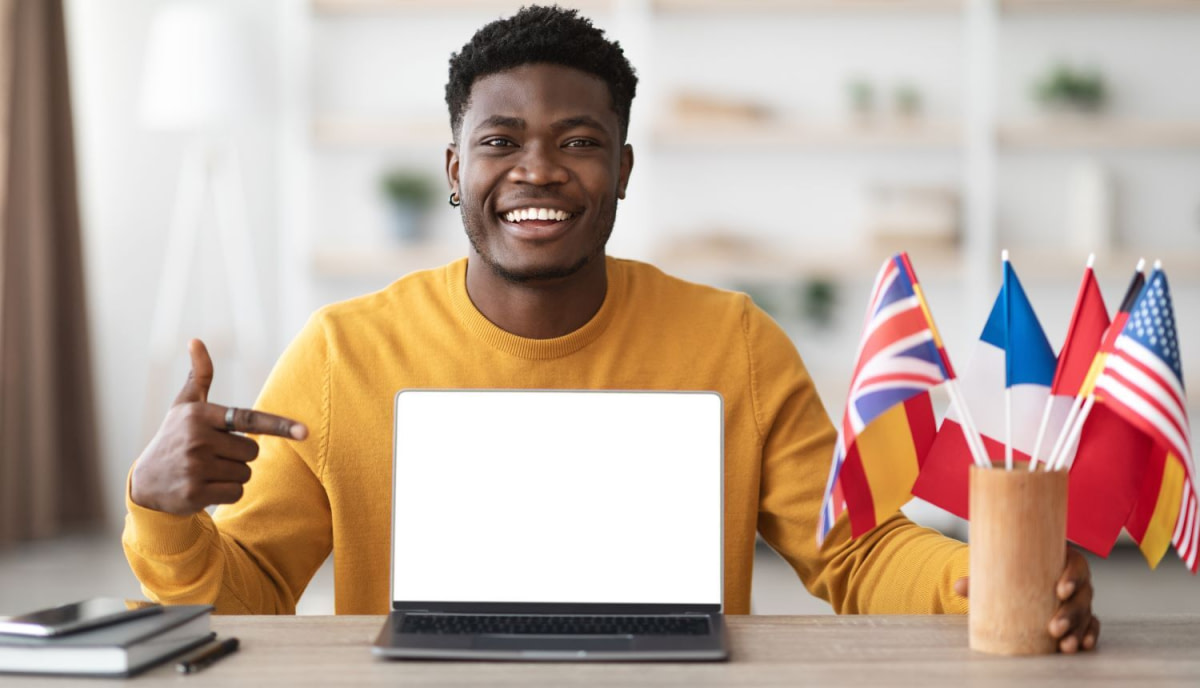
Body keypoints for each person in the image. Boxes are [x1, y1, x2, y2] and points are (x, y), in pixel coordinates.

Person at [124, 5, 1099, 652]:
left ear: (625, 170)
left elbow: (851, 552)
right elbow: (244, 598)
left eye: (578, 142)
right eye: (499, 142)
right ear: (455, 169)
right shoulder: (343, 352)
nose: (538, 170)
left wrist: (980, 576)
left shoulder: (735, 341)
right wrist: (161, 512)